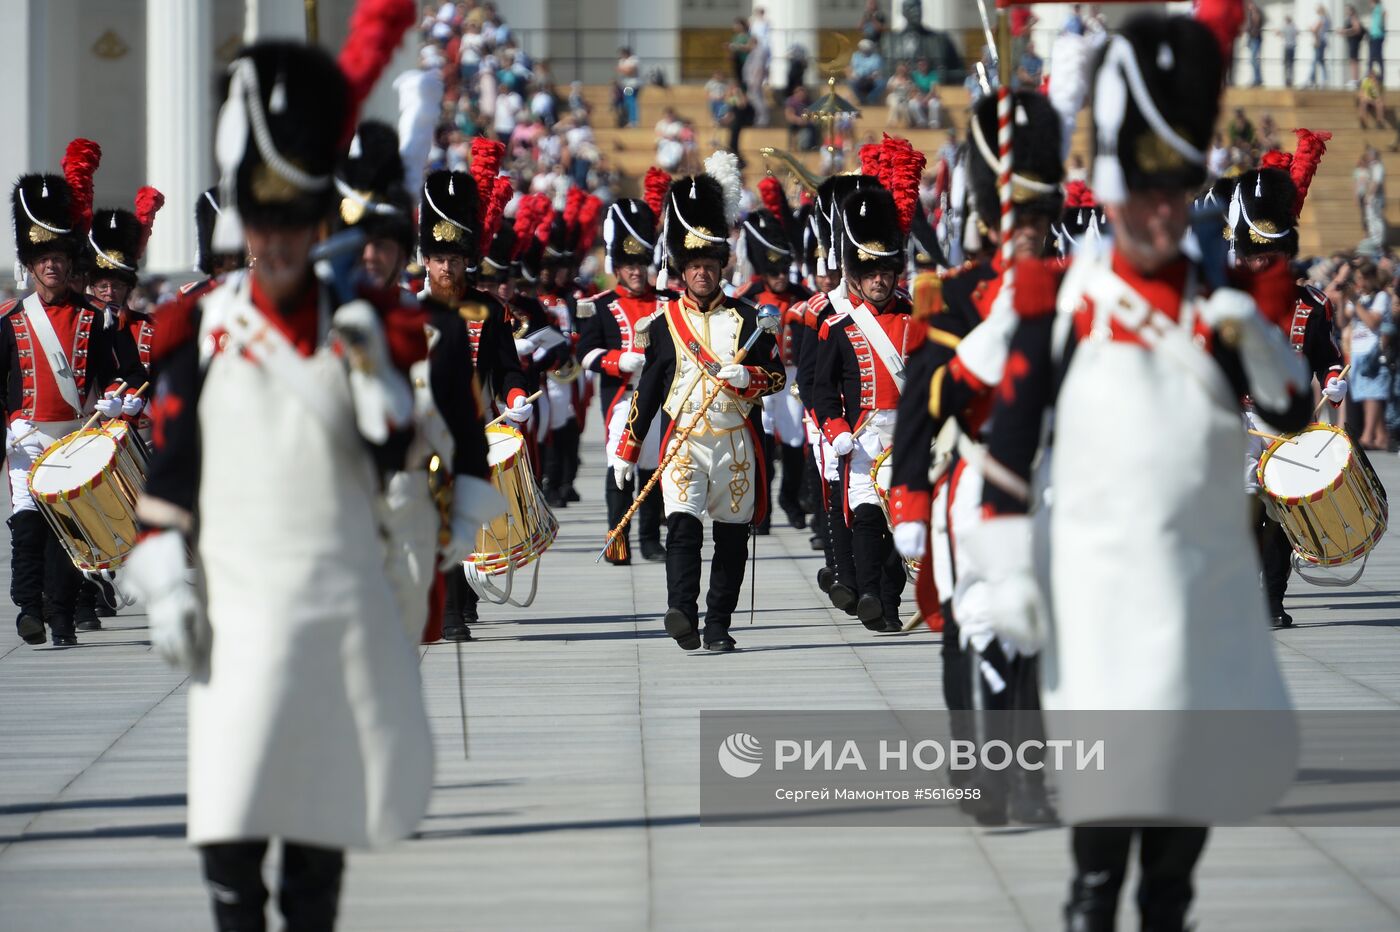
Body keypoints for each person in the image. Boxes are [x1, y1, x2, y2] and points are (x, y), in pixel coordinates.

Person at [969, 14, 1308, 928]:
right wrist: (1005, 566)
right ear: (1114, 197)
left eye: (1176, 194)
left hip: (1204, 589)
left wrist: (1259, 339)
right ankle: (1089, 906)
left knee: (1186, 806)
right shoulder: (1067, 300)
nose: (1162, 213)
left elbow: (1293, 417)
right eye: (1145, 194)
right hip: (1102, 588)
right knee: (1109, 802)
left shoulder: (1222, 306)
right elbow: (1012, 432)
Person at [123, 33, 441, 932]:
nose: (278, 243)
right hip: (239, 608)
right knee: (228, 827)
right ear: (243, 227)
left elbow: (391, 462)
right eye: (262, 226)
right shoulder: (199, 330)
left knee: (318, 830)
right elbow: (172, 474)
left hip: (336, 606)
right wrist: (163, 580)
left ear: (317, 225)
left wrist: (379, 378)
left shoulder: (365, 324)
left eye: (293, 225)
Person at [889, 90, 1066, 824]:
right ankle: (975, 770)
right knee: (970, 629)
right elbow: (919, 404)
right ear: (993, 217)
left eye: (1038, 219)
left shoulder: (1074, 294)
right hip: (973, 480)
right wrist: (907, 495)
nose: (1028, 233)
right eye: (1017, 219)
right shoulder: (954, 298)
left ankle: (1028, 778)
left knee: (1036, 637)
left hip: (1053, 481)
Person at [612, 153, 784, 652]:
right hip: (684, 443)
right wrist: (629, 447)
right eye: (693, 267)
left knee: (731, 540)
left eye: (709, 264)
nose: (702, 274)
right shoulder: (664, 324)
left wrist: (748, 375)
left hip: (735, 444)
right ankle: (682, 612)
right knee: (683, 529)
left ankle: (718, 625)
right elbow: (648, 390)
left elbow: (775, 378)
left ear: (720, 264)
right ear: (681, 270)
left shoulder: (751, 319)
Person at [4, 155, 146, 648]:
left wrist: (115, 401)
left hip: (75, 435)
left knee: (70, 531)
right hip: (26, 436)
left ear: (69, 262)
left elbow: (127, 373)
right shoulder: (9, 319)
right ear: (30, 263)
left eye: (60, 257)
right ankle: (28, 607)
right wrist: (11, 421)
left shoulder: (95, 318)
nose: (51, 264)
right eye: (43, 258)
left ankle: (61, 616)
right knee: (26, 528)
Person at [1224, 131, 1347, 628]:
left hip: (1286, 421)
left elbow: (1327, 357)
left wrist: (1335, 381)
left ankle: (1272, 602)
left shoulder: (1312, 304)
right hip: (1236, 418)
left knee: (1280, 514)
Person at [812, 141, 928, 635]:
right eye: (870, 273)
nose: (880, 281)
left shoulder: (916, 320)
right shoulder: (837, 327)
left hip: (906, 433)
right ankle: (871, 598)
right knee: (865, 519)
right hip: (860, 436)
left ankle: (890, 599)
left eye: (886, 272)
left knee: (898, 525)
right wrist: (836, 428)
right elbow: (820, 390)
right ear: (855, 276)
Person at [418, 165, 532, 641]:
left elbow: (506, 368)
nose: (447, 267)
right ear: (426, 260)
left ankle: (459, 605)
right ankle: (446, 615)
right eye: (439, 257)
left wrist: (516, 395)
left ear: (468, 261)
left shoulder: (489, 310)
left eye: (455, 258)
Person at [578, 179, 669, 564]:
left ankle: (650, 540)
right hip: (621, 398)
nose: (636, 271)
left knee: (653, 467)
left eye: (641, 264)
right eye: (629, 264)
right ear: (618, 265)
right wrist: (618, 360)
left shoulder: (668, 301)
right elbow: (584, 353)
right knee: (621, 465)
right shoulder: (597, 305)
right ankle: (618, 541)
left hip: (660, 395)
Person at [733, 184, 814, 532]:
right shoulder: (747, 296)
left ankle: (790, 499)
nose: (781, 276)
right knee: (762, 438)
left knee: (795, 438)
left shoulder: (803, 295)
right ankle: (760, 507)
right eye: (774, 270)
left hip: (793, 376)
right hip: (762, 376)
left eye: (784, 269)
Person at [1348, 260, 1392, 448]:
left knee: (1373, 393)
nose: (1361, 283)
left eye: (1364, 279)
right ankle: (1381, 436)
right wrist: (1344, 299)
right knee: (1365, 395)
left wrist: (1355, 302)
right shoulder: (1359, 297)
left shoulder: (1381, 296)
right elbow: (1343, 320)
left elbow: (1373, 322)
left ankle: (1367, 436)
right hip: (1357, 349)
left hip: (1373, 350)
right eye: (1358, 279)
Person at [848, 38, 885, 105]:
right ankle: (862, 100)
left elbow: (877, 71)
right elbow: (853, 69)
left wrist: (872, 77)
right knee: (851, 82)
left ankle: (871, 99)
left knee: (881, 83)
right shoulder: (855, 56)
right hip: (859, 78)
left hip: (872, 78)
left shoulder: (876, 57)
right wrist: (855, 76)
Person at [616, 46, 642, 128]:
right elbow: (621, 69)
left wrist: (623, 69)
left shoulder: (634, 59)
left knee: (631, 101)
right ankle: (629, 120)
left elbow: (630, 71)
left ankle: (633, 121)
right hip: (625, 84)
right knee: (627, 101)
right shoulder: (622, 60)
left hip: (633, 84)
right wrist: (624, 69)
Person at [1311, 4, 1334, 88]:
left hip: (1319, 41)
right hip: (1324, 41)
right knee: (1321, 61)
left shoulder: (1322, 18)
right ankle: (1324, 79)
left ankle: (1311, 80)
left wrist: (1310, 28)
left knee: (1315, 61)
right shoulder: (1327, 19)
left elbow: (1315, 30)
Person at [1358, 63, 1385, 127]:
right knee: (1363, 101)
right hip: (1366, 99)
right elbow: (1360, 93)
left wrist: (1376, 85)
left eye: (1374, 74)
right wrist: (1367, 97)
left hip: (1374, 100)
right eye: (1371, 74)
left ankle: (1379, 121)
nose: (1372, 75)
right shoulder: (1365, 82)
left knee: (1380, 103)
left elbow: (1380, 95)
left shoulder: (1378, 83)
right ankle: (1363, 121)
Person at [1245, 1, 1265, 87]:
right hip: (1252, 38)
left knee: (1254, 60)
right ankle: (1257, 78)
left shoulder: (1256, 13)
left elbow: (1257, 23)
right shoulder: (1250, 14)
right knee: (1253, 60)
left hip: (1255, 38)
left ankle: (1257, 79)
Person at [729, 18, 754, 84]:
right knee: (738, 79)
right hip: (737, 60)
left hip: (745, 60)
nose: (734, 27)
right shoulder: (735, 37)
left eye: (736, 25)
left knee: (745, 79)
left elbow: (750, 48)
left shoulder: (748, 36)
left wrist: (738, 47)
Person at [1279, 14, 1299, 88]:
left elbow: (1280, 33)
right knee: (1291, 64)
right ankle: (1291, 80)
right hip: (1293, 47)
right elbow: (1297, 33)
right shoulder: (1294, 26)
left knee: (1286, 64)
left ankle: (1287, 80)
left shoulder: (1285, 27)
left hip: (1287, 47)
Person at [1369, 0, 1386, 83]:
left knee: (1375, 58)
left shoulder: (1378, 9)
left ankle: (1377, 78)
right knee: (1374, 58)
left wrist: (1382, 34)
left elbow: (1381, 23)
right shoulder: (1376, 8)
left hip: (1377, 36)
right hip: (1375, 36)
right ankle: (1373, 77)